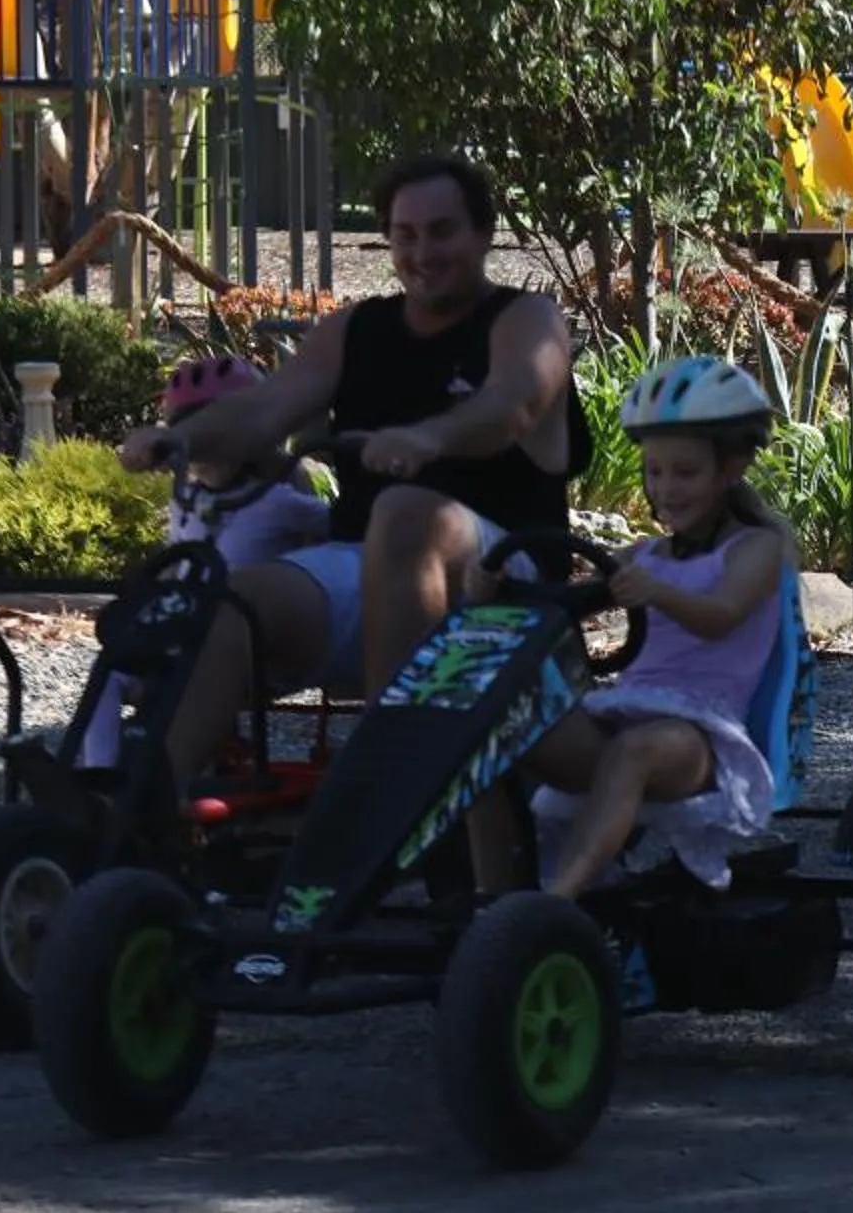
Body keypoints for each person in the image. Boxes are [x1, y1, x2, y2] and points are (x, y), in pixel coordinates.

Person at [116, 151, 587, 801]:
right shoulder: (356, 330)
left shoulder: (526, 321)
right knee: (232, 600)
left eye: (443, 231)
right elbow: (262, 412)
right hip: (368, 566)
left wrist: (430, 437)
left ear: (482, 235)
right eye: (406, 235)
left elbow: (513, 406)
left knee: (405, 514)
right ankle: (143, 820)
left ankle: (383, 780)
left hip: (503, 575)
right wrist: (180, 437)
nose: (424, 252)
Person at [522, 357, 793, 899]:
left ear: (732, 468)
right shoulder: (644, 555)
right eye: (655, 471)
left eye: (685, 472)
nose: (667, 489)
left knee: (635, 751)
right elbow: (578, 592)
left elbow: (721, 615)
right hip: (626, 712)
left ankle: (557, 900)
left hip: (705, 737)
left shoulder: (757, 548)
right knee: (513, 728)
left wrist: (655, 592)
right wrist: (512, 590)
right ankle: (495, 887)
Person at [78, 356, 329, 771]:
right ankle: (98, 775)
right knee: (108, 671)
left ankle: (147, 777)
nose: (200, 450)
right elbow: (179, 561)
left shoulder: (277, 501)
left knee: (178, 673)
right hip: (187, 627)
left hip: (247, 641)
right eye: (193, 436)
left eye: (215, 435)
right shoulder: (187, 499)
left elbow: (338, 529)